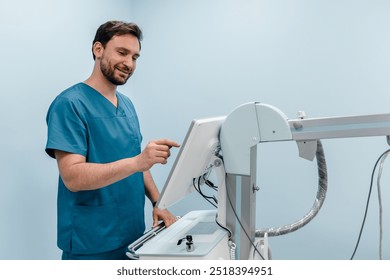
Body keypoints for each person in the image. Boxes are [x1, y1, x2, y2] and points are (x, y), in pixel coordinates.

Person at [45, 20, 180, 260]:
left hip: (133, 235)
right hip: (91, 241)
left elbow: (139, 162)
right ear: (98, 50)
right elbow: (73, 177)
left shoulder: (127, 105)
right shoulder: (70, 104)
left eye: (135, 57)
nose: (129, 63)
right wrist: (139, 162)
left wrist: (158, 201)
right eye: (122, 53)